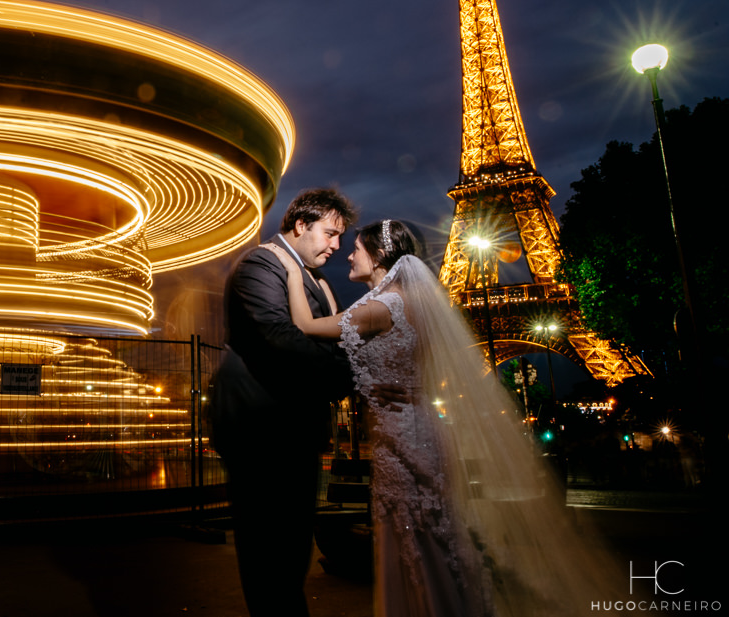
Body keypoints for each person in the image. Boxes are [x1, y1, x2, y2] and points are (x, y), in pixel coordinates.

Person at [264, 219, 621, 616]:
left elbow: (305, 326)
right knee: (432, 533)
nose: (348, 254)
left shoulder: (381, 307)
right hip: (422, 429)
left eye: (358, 249)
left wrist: (296, 273)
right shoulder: (410, 303)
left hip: (399, 437)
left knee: (409, 538)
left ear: (379, 256)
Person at [210, 188, 359, 617]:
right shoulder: (262, 263)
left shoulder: (313, 277)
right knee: (269, 552)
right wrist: (346, 375)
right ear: (300, 225)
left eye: (340, 238)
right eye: (330, 234)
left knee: (291, 549)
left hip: (291, 424)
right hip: (260, 425)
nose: (336, 246)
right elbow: (278, 338)